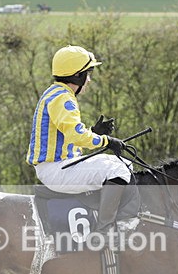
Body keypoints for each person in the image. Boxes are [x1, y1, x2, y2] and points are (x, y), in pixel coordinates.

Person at [26, 45, 131, 232]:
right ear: (78, 76)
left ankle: (97, 215)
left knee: (126, 165)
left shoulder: (56, 93)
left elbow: (68, 135)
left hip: (59, 165)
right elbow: (76, 135)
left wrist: (94, 132)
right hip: (56, 169)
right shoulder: (63, 98)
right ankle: (105, 230)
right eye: (87, 74)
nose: (89, 80)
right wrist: (106, 141)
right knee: (119, 169)